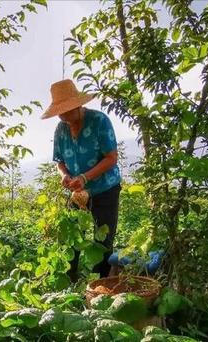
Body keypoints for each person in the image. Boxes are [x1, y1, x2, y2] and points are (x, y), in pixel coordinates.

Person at [42, 79, 122, 282]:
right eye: (61, 113)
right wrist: (65, 177)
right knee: (72, 236)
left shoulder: (99, 121)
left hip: (105, 189)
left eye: (69, 111)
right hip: (77, 194)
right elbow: (59, 161)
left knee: (102, 239)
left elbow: (111, 157)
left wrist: (86, 177)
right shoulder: (61, 129)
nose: (66, 118)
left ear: (78, 105)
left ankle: (102, 283)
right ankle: (71, 281)